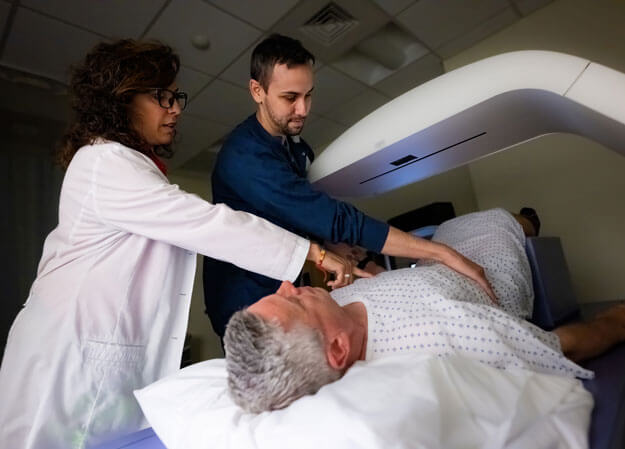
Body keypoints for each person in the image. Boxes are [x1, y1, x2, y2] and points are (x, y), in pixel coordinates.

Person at [0, 39, 362, 449]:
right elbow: (207, 223)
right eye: (162, 97)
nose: (175, 108)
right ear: (120, 100)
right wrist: (313, 253)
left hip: (103, 377)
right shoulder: (101, 163)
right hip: (64, 369)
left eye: (176, 97)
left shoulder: (134, 169)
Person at [203, 33, 495, 338]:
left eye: (308, 95)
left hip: (285, 286)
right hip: (246, 301)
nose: (303, 110)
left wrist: (361, 259)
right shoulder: (245, 157)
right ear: (257, 91)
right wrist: (440, 253)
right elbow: (333, 217)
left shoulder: (293, 147)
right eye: (290, 98)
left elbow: (303, 217)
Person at [224, 208, 625, 413]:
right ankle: (529, 218)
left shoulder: (334, 309)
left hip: (433, 267)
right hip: (486, 272)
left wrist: (372, 273)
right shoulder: (444, 340)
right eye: (292, 300)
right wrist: (616, 319)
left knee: (446, 228)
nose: (288, 285)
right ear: (337, 350)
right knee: (504, 221)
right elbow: (561, 348)